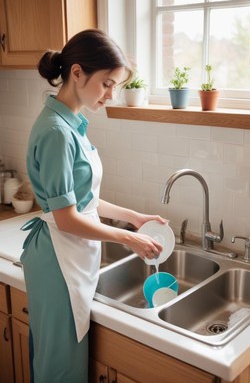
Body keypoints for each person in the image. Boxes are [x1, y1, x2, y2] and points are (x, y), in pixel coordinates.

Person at [20, 29, 166, 383]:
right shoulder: (57, 132)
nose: (111, 94)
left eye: (115, 85)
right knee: (60, 370)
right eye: (107, 83)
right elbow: (68, 219)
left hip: (68, 255)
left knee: (60, 361)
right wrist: (128, 240)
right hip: (58, 260)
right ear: (77, 73)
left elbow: (80, 199)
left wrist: (133, 218)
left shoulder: (72, 124)